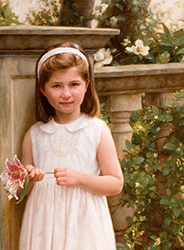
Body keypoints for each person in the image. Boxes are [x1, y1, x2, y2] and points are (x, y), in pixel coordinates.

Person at [19, 41, 124, 250]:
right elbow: (21, 190)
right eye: (57, 86)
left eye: (74, 84)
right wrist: (30, 177)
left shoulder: (96, 130)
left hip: (84, 222)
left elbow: (115, 183)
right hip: (44, 222)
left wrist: (80, 178)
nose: (66, 93)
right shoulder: (35, 135)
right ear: (43, 90)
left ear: (86, 85)